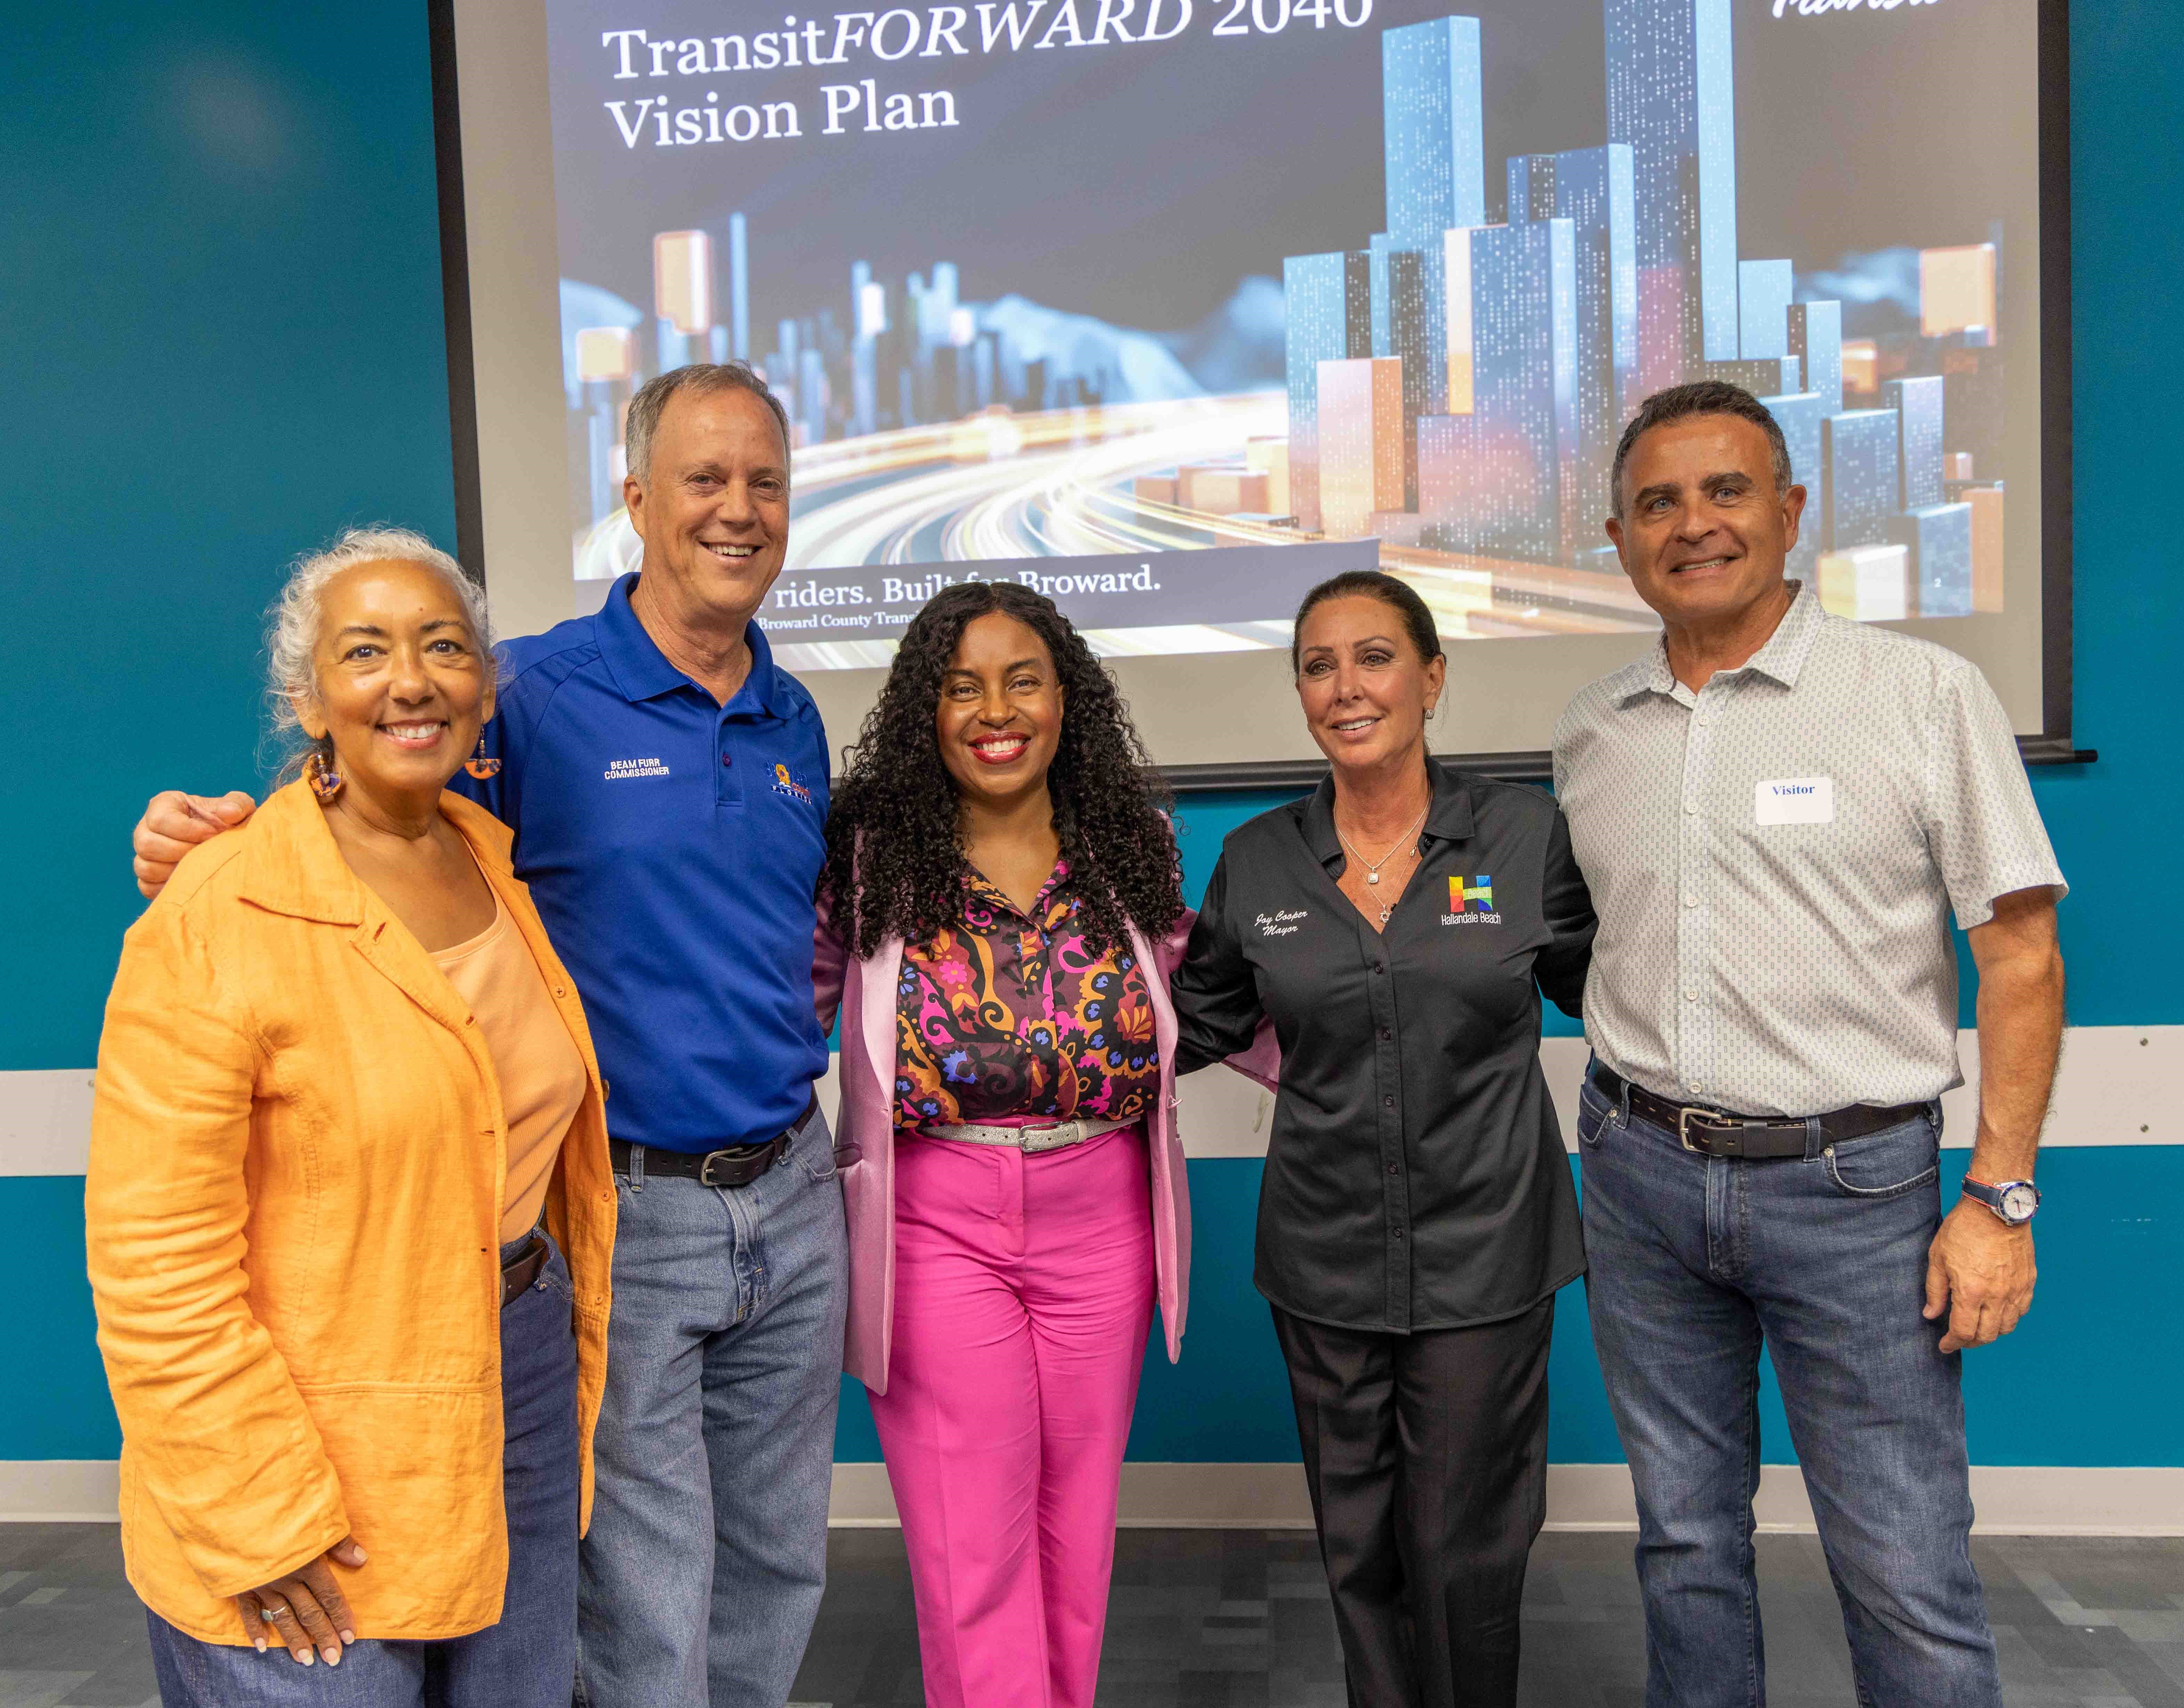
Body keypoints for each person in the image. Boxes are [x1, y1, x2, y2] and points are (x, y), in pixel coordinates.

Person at [128, 365, 845, 1708]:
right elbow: (375, 777)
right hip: (629, 1204)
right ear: (635, 497)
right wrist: (213, 837)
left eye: (765, 483)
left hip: (794, 1199)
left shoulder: (793, 713)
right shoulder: (529, 692)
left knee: (772, 1566)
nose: (737, 510)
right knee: (642, 1596)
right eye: (703, 479)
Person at [1553, 380, 2067, 1707]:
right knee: (1684, 1543)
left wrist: (1999, 1198)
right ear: (1619, 539)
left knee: (1900, 1561)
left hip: (1857, 1195)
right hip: (1638, 1177)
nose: (1693, 525)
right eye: (1657, 503)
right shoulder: (1590, 733)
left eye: (1726, 492)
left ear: (1787, 514)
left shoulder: (1920, 694)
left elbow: (2018, 955)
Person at [88, 532, 615, 1707]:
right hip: (310, 1425)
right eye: (365, 650)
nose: (411, 679)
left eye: (443, 645)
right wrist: (256, 1511)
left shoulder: (495, 859)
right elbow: (153, 1266)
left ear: (485, 679)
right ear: (307, 696)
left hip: (513, 1372)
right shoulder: (220, 908)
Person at [1168, 569, 1596, 1708]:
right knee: (1358, 1551)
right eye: (1318, 664)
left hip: (1487, 1256)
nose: (1344, 686)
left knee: (1463, 1553)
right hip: (1324, 1259)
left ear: (1433, 677)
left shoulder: (1522, 834)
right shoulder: (1257, 858)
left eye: (1373, 657)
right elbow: (1187, 1023)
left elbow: (1613, 987)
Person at [812, 581, 1202, 1708]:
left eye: (1022, 680)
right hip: (937, 1221)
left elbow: (1233, 1001)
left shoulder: (1131, 844)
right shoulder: (869, 855)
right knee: (968, 1542)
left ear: (1065, 699)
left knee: (1076, 1538)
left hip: (1106, 1219)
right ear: (924, 713)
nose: (997, 709)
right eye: (962, 685)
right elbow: (781, 994)